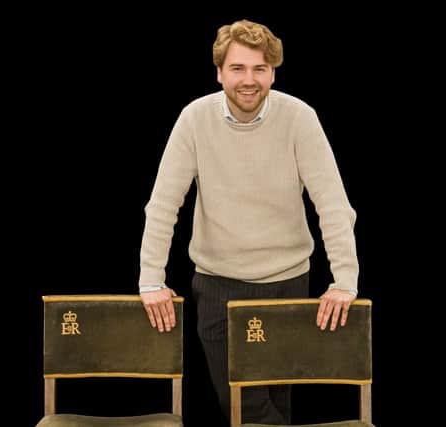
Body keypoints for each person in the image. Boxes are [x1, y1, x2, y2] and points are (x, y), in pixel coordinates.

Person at [138, 19, 359, 424]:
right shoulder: (194, 119)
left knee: (278, 400)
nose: (249, 80)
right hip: (219, 285)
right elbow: (163, 205)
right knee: (245, 407)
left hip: (288, 283)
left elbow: (333, 204)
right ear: (219, 72)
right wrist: (151, 279)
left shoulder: (299, 118)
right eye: (238, 68)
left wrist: (344, 281)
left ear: (272, 72)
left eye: (260, 69)